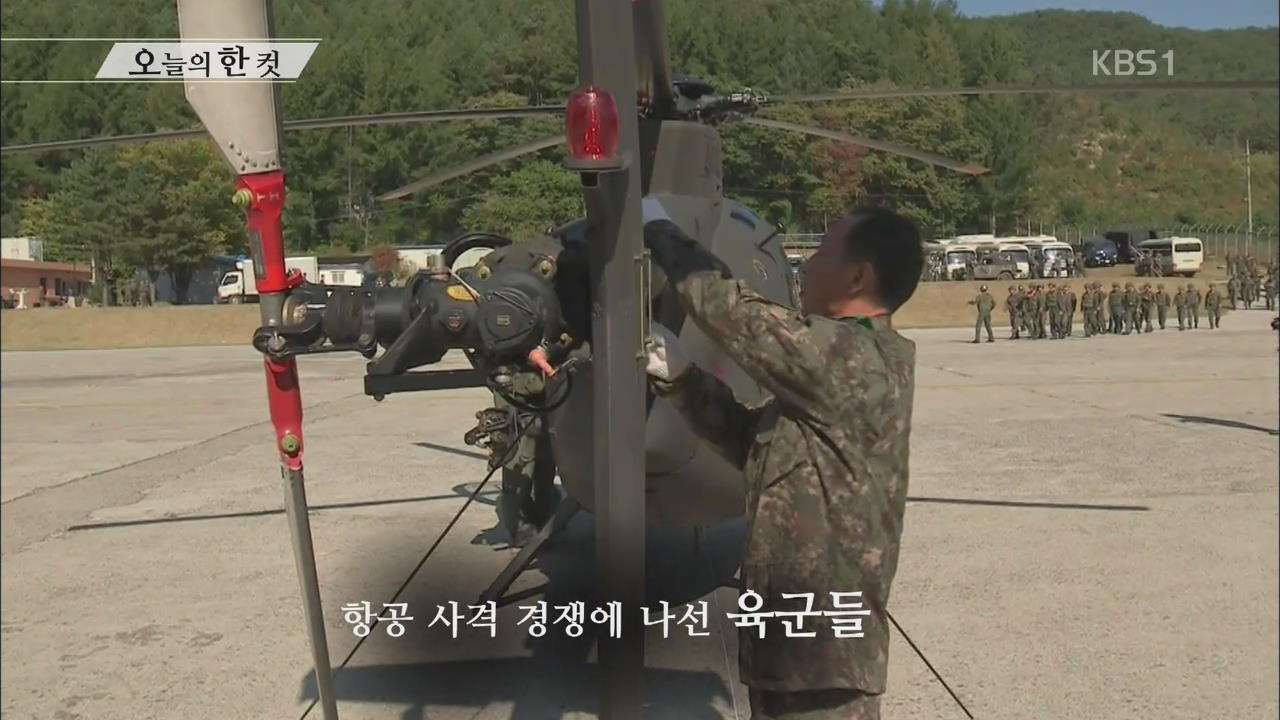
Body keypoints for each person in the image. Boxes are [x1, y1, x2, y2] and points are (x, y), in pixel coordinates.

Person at [641, 202, 920, 720]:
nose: (804, 265)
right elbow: (753, 444)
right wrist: (680, 376)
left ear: (857, 276)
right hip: (790, 655)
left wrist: (659, 229)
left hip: (825, 664)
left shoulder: (853, 357)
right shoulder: (835, 372)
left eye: (820, 253)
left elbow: (735, 315)